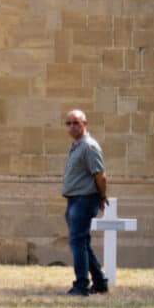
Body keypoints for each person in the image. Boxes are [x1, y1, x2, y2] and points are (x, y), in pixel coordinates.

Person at [61, 108, 110, 296]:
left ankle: (81, 285)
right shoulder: (76, 145)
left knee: (77, 242)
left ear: (85, 124)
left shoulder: (89, 146)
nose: (72, 127)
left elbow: (100, 175)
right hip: (74, 199)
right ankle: (100, 282)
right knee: (82, 242)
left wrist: (102, 196)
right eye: (69, 123)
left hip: (84, 199)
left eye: (76, 123)